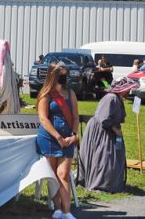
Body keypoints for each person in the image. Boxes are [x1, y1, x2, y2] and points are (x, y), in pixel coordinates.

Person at [78, 77, 138, 193]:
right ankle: (100, 184)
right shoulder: (111, 98)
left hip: (108, 130)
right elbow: (104, 119)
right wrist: (115, 130)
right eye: (127, 88)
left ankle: (110, 183)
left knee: (111, 157)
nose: (128, 91)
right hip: (102, 132)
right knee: (103, 157)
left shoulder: (117, 98)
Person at [36, 62, 79, 219]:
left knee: (63, 174)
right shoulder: (46, 94)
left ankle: (67, 212)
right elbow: (43, 118)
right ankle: (58, 208)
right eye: (61, 73)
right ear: (52, 74)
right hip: (49, 139)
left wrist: (73, 134)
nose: (64, 76)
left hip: (67, 139)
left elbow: (75, 117)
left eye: (65, 73)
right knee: (53, 175)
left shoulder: (70, 93)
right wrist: (58, 137)